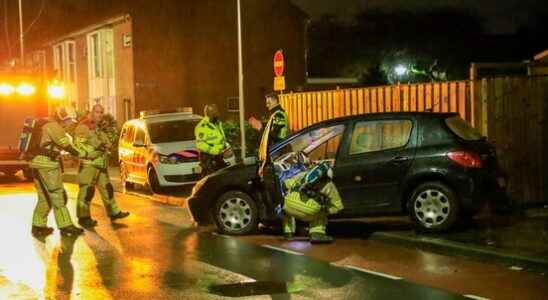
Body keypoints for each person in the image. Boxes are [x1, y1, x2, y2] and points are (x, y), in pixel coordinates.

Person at [30, 106, 95, 238]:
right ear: (63, 118)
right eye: (69, 120)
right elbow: (66, 145)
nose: (70, 123)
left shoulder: (45, 124)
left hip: (36, 163)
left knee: (44, 197)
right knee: (57, 194)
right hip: (48, 165)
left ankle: (38, 226)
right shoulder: (54, 126)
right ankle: (66, 226)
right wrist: (82, 154)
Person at [74, 104, 129, 229]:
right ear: (92, 112)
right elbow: (79, 146)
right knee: (86, 192)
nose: (100, 114)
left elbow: (107, 144)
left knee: (107, 189)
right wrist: (96, 151)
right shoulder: (83, 127)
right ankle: (83, 217)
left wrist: (108, 137)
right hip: (89, 165)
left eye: (102, 112)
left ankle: (114, 212)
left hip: (100, 164)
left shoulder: (97, 128)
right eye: (98, 112)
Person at [249, 93, 295, 239]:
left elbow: (275, 136)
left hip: (278, 158)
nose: (266, 104)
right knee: (276, 192)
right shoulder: (274, 115)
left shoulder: (279, 115)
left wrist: (260, 127)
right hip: (275, 158)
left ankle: (285, 226)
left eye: (268, 101)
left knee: (279, 192)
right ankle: (281, 224)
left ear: (275, 100)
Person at [195, 104, 231, 176]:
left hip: (219, 158)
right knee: (212, 183)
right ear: (209, 113)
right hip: (208, 160)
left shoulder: (217, 123)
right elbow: (200, 144)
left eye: (217, 111)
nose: (218, 113)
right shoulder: (202, 126)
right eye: (215, 112)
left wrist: (226, 147)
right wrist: (216, 151)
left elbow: (221, 139)